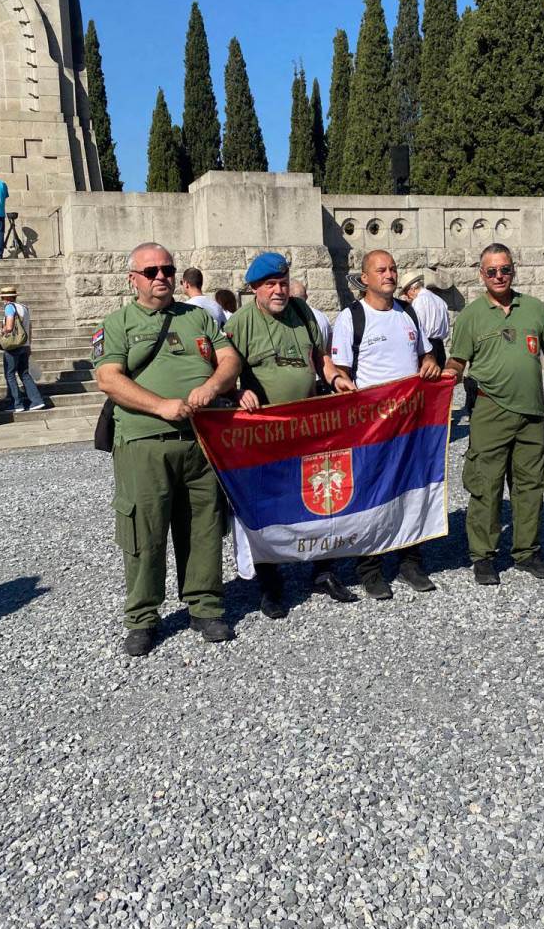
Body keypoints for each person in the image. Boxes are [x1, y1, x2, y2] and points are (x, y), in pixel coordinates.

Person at [94, 241, 243, 656]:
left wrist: (212, 386)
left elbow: (230, 360)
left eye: (168, 270)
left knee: (204, 525)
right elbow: (108, 378)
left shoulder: (198, 317)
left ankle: (205, 606)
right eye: (151, 271)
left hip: (201, 440)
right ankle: (143, 617)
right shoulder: (118, 322)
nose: (161, 277)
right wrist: (161, 405)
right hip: (145, 442)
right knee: (145, 531)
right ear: (133, 279)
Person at [225, 252, 356, 618]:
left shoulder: (303, 313)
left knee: (321, 499)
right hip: (264, 434)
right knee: (267, 508)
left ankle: (324, 571)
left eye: (282, 283)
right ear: (255, 288)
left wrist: (335, 377)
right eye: (270, 284)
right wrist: (235, 392)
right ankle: (271, 584)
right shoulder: (240, 323)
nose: (279, 290)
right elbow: (222, 369)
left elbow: (321, 358)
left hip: (307, 430)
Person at [444, 243, 544, 585]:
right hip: (490, 411)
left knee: (530, 485)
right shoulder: (471, 316)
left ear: (513, 270)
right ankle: (483, 556)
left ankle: (526, 552)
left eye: (504, 269)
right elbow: (457, 361)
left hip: (531, 413)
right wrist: (446, 377)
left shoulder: (534, 309)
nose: (499, 276)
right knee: (485, 485)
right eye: (492, 271)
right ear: (481, 274)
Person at [330, 249, 441, 599]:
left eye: (392, 269)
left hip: (409, 426)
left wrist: (430, 363)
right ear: (365, 278)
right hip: (371, 430)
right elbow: (342, 373)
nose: (390, 274)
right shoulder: (351, 318)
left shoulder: (408, 312)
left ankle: (410, 561)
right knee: (372, 496)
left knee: (411, 492)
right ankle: (370, 568)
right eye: (381, 270)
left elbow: (425, 355)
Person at [0, 286, 45, 412]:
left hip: (14, 345)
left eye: (2, 297)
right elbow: (29, 327)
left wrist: (2, 331)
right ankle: (37, 401)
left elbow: (9, 327)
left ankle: (17, 404)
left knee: (10, 374)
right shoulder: (24, 307)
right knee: (24, 373)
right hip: (24, 344)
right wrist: (29, 344)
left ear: (6, 297)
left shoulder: (9, 307)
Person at [398, 268, 450, 368]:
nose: (407, 296)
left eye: (406, 292)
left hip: (427, 348)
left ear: (412, 289)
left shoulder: (419, 301)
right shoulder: (440, 300)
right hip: (440, 346)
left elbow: (416, 326)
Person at [288, 278, 332, 352]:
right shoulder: (322, 316)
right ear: (306, 296)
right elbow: (330, 346)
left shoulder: (296, 318)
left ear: (289, 296)